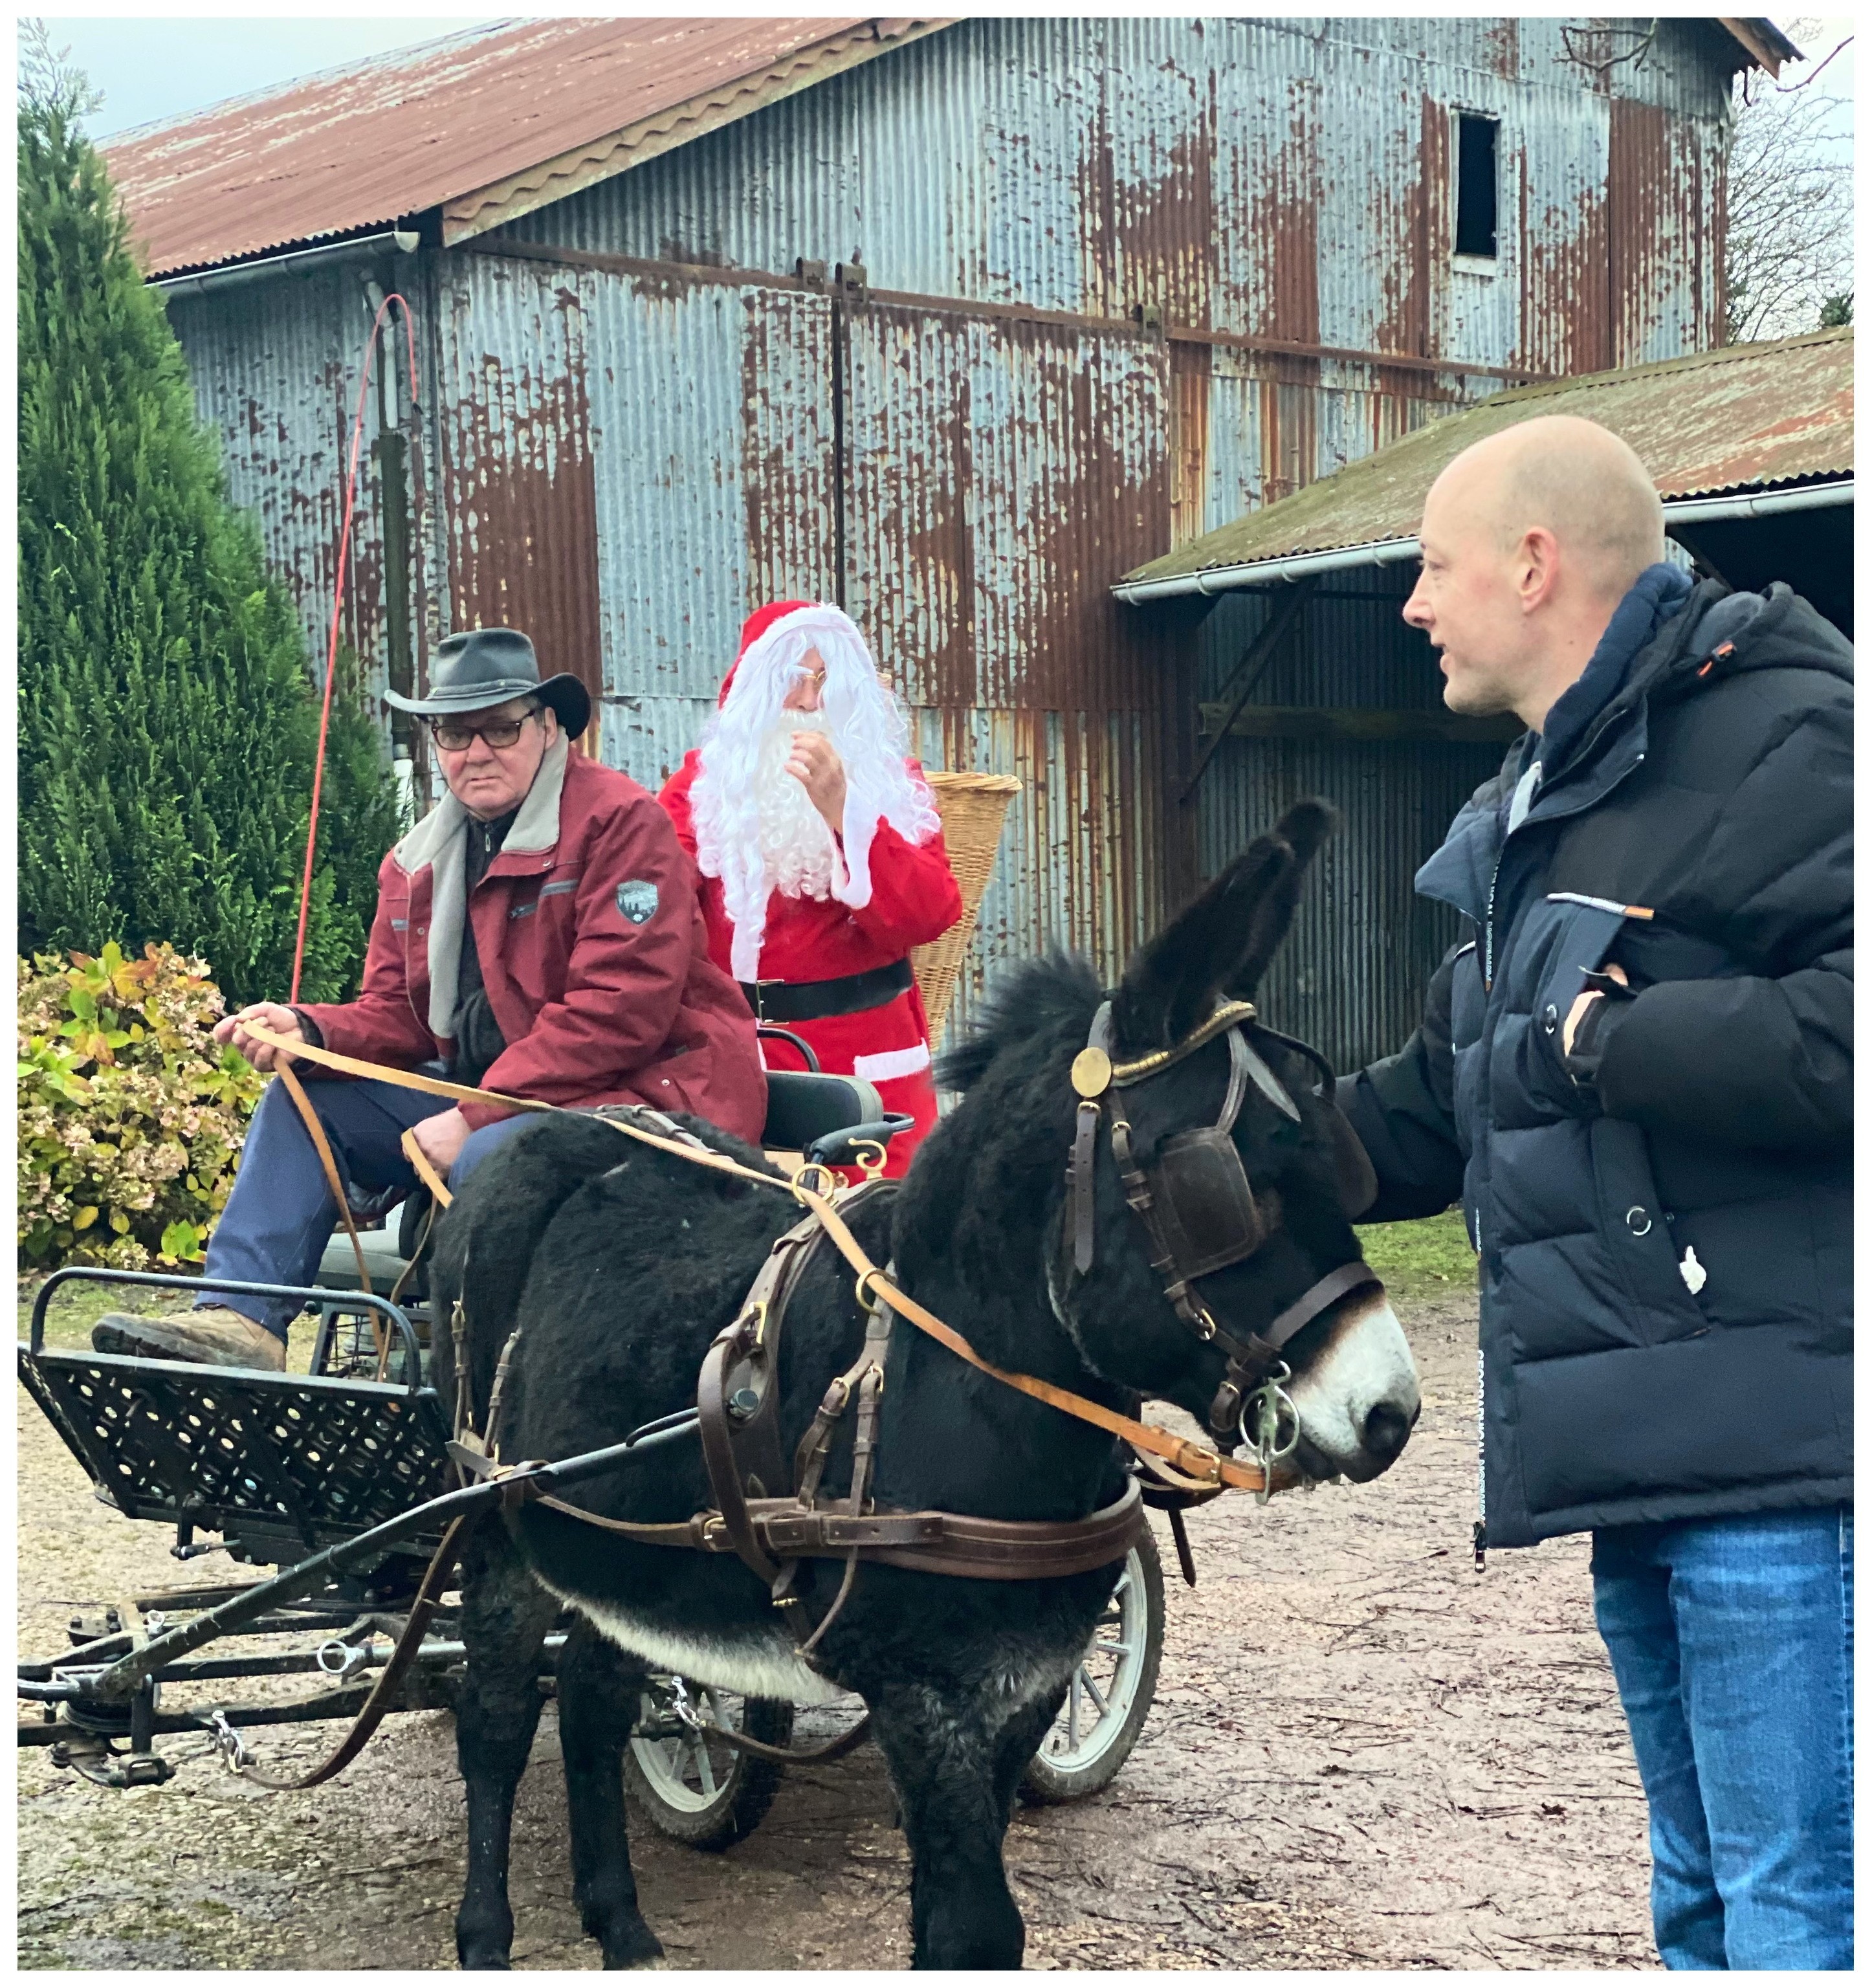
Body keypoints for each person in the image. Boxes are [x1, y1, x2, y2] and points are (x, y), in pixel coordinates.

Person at [1336, 415, 1851, 1969]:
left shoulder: (1786, 735)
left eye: (1432, 566)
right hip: (1641, 1453)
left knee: (1794, 1909)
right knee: (1702, 1897)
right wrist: (1226, 1124)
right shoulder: (1541, 798)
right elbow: (1445, 1100)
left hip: (1782, 1459)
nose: (1413, 605)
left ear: (1533, 562)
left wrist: (1605, 1034)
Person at [94, 626, 765, 1371]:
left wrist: (477, 1113)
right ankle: (240, 1325)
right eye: (453, 731)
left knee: (490, 1158)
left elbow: (619, 1011)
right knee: (302, 1099)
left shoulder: (622, 823)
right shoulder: (417, 862)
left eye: (500, 727)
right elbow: (400, 1016)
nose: (475, 751)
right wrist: (309, 1029)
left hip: (656, 1099)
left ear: (548, 727)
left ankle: (479, 1385)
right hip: (509, 1098)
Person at [660, 601, 963, 1177]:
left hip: (866, 1070)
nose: (807, 702)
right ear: (753, 689)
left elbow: (927, 914)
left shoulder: (893, 787)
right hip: (728, 1064)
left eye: (827, 681)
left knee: (875, 1240)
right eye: (792, 680)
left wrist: (845, 814)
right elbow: (653, 918)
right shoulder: (699, 791)